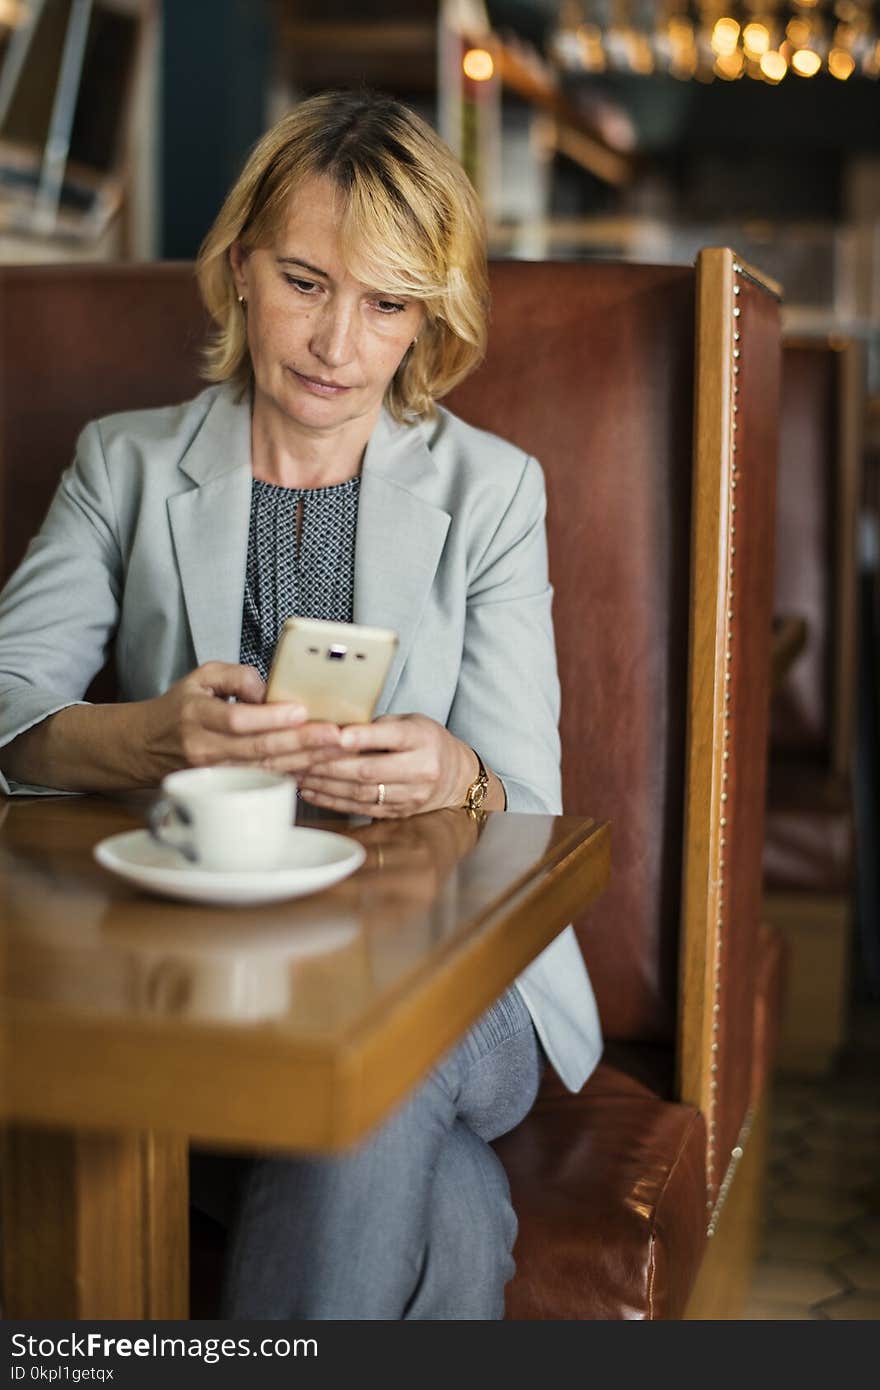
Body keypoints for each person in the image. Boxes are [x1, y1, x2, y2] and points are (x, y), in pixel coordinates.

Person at [0, 90, 601, 1318]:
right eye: (306, 281)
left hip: (458, 990)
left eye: (386, 303)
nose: (338, 343)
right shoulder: (125, 463)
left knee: (380, 1045)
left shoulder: (492, 494)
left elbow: (525, 807)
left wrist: (452, 774)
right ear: (237, 273)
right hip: (210, 982)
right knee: (451, 1207)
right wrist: (144, 736)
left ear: (424, 321)